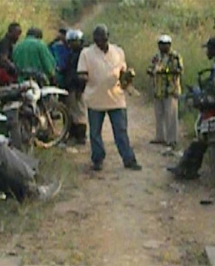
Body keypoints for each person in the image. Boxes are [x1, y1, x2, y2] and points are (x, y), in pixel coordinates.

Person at [167, 37, 215, 179]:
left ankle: (187, 169)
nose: (207, 51)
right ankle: (188, 168)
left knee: (201, 137)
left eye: (209, 49)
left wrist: (197, 93)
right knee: (201, 141)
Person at [77, 24, 142, 171]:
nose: (101, 42)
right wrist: (83, 77)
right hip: (95, 98)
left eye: (104, 39)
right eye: (98, 39)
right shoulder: (86, 53)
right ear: (94, 39)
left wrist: (128, 78)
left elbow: (123, 73)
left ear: (108, 37)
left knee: (121, 131)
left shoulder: (118, 52)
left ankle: (129, 159)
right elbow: (81, 72)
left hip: (116, 98)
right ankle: (98, 159)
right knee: (95, 133)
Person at [8, 27, 57, 150]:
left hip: (21, 83)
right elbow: (49, 65)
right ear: (39, 36)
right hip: (37, 83)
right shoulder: (40, 45)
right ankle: (43, 133)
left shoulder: (18, 46)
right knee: (44, 107)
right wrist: (52, 76)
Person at [147, 35, 183, 149]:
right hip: (158, 89)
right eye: (161, 44)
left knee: (171, 116)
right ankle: (160, 137)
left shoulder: (175, 56)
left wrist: (163, 71)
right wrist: (151, 71)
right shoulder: (156, 57)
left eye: (165, 44)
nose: (163, 47)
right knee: (159, 115)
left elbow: (179, 70)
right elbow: (150, 68)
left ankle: (172, 140)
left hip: (170, 90)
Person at [64, 29, 87, 145]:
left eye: (74, 41)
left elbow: (82, 74)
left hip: (77, 87)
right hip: (72, 86)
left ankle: (80, 136)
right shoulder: (73, 54)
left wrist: (80, 88)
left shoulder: (81, 55)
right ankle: (75, 135)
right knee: (73, 112)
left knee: (79, 112)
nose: (71, 44)